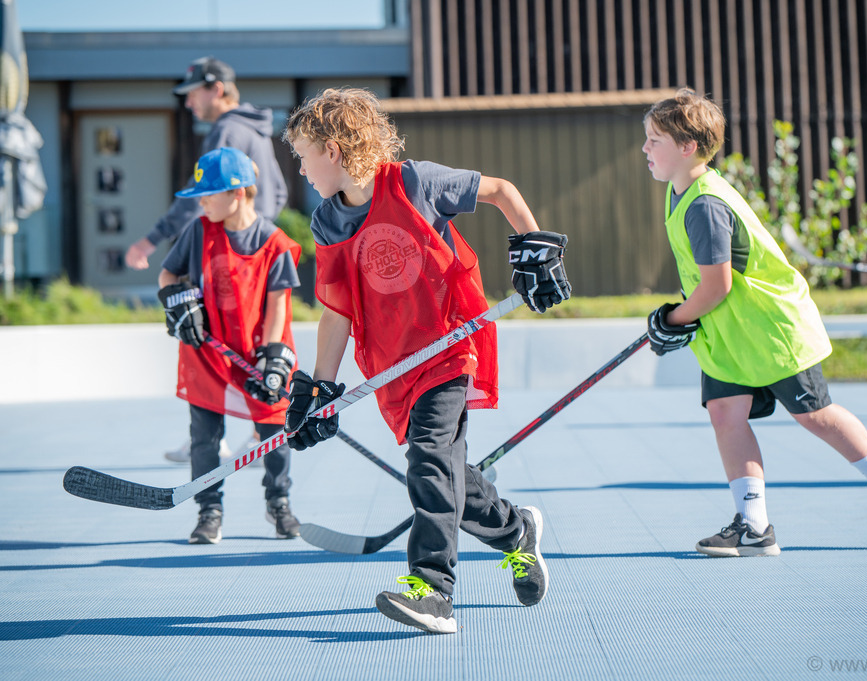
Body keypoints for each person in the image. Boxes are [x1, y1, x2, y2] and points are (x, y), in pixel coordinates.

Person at [280, 88, 571, 633]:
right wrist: (321, 388)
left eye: (303, 154)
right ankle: (515, 533)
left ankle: (433, 589)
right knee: (446, 471)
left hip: (448, 345)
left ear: (335, 150)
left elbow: (502, 191)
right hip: (393, 361)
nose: (300, 167)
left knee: (430, 458)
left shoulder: (414, 182)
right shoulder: (327, 222)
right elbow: (337, 310)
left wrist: (534, 249)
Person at [641, 87, 867, 557]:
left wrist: (672, 318)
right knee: (725, 413)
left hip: (773, 330)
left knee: (815, 416)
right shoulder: (681, 192)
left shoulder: (704, 205)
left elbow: (717, 287)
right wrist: (681, 316)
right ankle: (755, 526)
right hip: (731, 333)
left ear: (687, 147)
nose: (645, 149)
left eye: (654, 140)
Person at [133, 56, 289, 463]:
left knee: (210, 343)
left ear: (216, 89)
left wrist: (151, 240)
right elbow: (278, 191)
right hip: (258, 260)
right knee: (259, 350)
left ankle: (209, 432)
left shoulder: (226, 130)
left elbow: (201, 199)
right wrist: (258, 232)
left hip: (229, 260)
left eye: (193, 94)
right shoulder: (256, 130)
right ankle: (259, 430)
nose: (188, 104)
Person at [157, 147, 303, 545]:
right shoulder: (199, 231)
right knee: (204, 436)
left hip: (257, 353)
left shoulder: (274, 244)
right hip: (208, 353)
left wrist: (272, 361)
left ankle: (279, 503)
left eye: (209, 195)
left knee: (274, 430)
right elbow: (169, 272)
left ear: (238, 193)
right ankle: (209, 511)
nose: (202, 202)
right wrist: (178, 304)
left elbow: (278, 309)